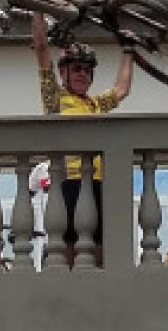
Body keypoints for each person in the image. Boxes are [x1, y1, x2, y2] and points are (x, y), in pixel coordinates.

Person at [31, 14, 134, 266]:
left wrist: (128, 51)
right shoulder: (54, 98)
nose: (82, 75)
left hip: (99, 183)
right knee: (69, 249)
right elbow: (43, 50)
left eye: (87, 71)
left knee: (100, 249)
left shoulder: (95, 104)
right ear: (63, 73)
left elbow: (121, 91)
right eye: (76, 69)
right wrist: (35, 11)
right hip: (69, 183)